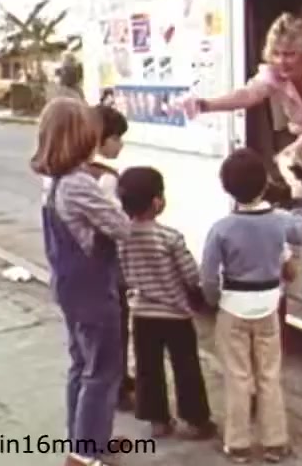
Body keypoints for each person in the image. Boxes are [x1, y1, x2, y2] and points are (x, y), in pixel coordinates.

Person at [30, 97, 131, 466]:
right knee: (103, 370)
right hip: (92, 289)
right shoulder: (79, 184)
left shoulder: (53, 181)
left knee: (80, 364)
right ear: (81, 138)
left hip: (68, 286)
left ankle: (86, 438)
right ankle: (85, 454)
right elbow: (121, 228)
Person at [200, 148, 302, 463]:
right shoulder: (280, 221)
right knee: (269, 375)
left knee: (238, 376)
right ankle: (275, 442)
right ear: (265, 184)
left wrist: (215, 300)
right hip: (269, 306)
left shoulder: (221, 228)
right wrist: (299, 199)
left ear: (226, 188)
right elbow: (301, 233)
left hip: (233, 307)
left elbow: (208, 276)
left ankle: (238, 445)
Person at [183, 12, 302, 212]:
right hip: (300, 131)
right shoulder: (275, 71)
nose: (282, 61)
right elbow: (248, 95)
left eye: (290, 54)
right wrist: (205, 104)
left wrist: (294, 149)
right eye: (277, 53)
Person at [116, 166, 217, 440]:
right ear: (158, 202)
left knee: (148, 369)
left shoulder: (121, 237)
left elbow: (122, 273)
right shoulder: (170, 237)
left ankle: (157, 420)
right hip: (176, 315)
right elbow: (191, 275)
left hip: (142, 314)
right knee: (186, 367)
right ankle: (196, 420)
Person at [86, 104, 134, 411]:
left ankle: (116, 379)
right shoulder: (106, 178)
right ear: (103, 139)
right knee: (118, 324)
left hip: (80, 268)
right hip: (107, 265)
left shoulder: (67, 172)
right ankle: (116, 386)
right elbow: (116, 224)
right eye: (117, 137)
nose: (121, 144)